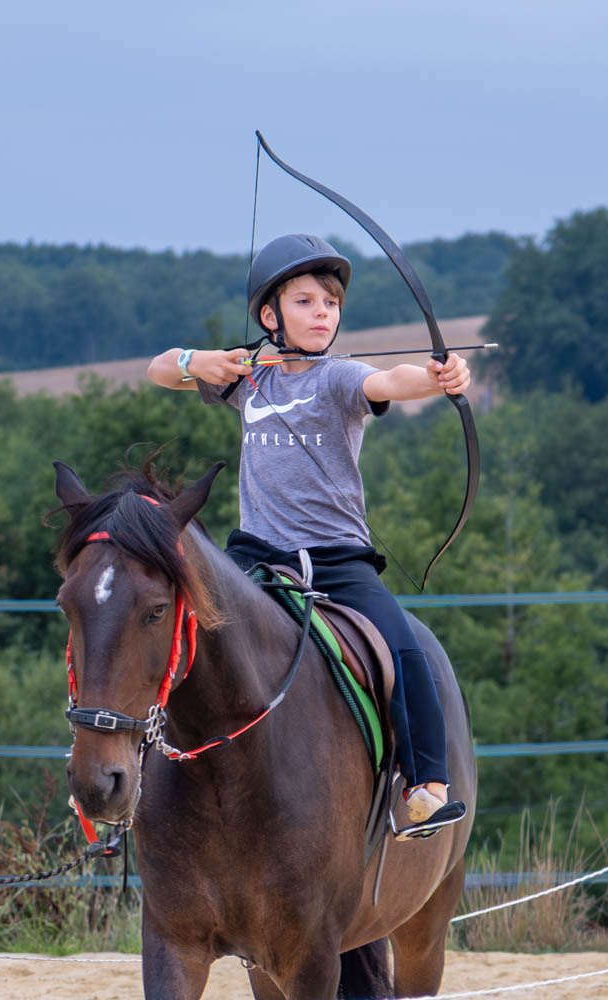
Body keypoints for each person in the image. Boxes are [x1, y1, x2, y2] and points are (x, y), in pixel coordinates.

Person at [148, 233, 470, 839]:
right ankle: (145, 770)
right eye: (305, 302)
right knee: (177, 633)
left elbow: (393, 382)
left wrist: (440, 376)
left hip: (337, 559)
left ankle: (426, 785)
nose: (323, 313)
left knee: (404, 648)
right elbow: (158, 368)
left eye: (330, 303)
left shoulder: (340, 378)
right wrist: (198, 361)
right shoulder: (246, 375)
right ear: (270, 316)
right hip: (256, 555)